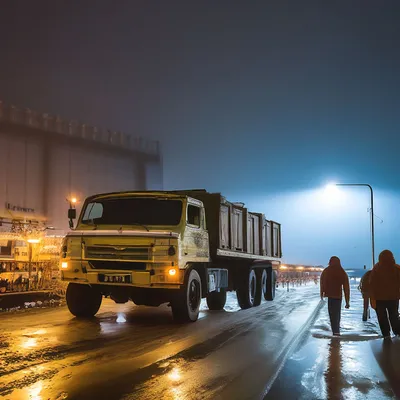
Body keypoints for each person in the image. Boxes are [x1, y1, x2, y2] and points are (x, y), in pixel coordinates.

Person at [369, 250, 400, 339]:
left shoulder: (377, 268)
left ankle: (386, 335)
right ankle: (396, 333)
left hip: (380, 298)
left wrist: (372, 299)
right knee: (394, 317)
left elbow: (372, 285)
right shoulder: (396, 268)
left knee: (382, 318)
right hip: (393, 298)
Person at [320, 256, 350, 336]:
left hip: (329, 296)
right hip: (338, 296)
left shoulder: (326, 271)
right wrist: (347, 301)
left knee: (331, 314)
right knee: (337, 313)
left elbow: (322, 283)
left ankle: (334, 330)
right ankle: (336, 330)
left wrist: (321, 294)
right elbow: (346, 288)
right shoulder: (342, 271)